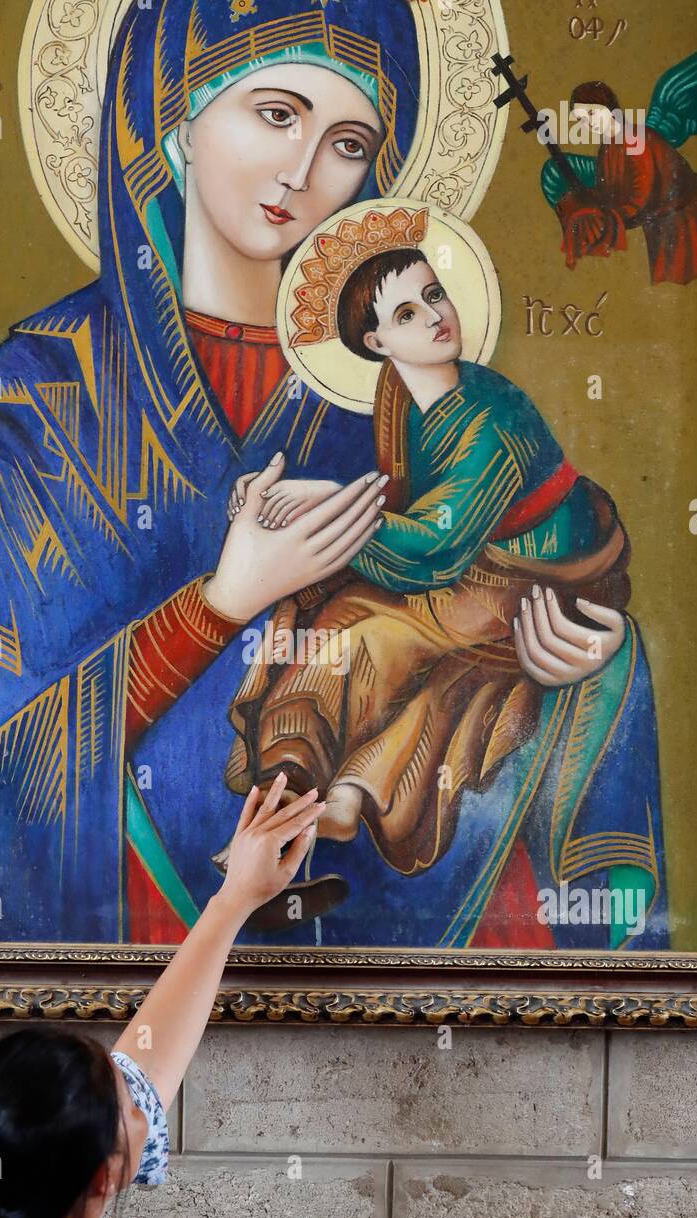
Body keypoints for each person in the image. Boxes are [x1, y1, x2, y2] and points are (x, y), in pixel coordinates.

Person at [0, 0, 631, 954]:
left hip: (385, 1001)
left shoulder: (417, 405)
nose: (302, 173)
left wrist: (572, 667)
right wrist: (220, 605)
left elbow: (513, 590)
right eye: (276, 114)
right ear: (178, 113)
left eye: (348, 141)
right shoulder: (13, 426)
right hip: (100, 981)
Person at [218, 232, 657, 948]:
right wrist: (301, 497)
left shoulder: (493, 419)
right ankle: (299, 791)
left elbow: (435, 545)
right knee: (329, 619)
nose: (433, 316)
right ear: (375, 340)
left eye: (434, 295)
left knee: (377, 635)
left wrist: (321, 510)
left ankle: (348, 793)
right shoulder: (401, 392)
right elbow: (401, 498)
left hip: (530, 580)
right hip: (465, 568)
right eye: (407, 312)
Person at [0, 774, 323, 1218]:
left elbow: (146, 1058)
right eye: (130, 1107)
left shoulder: (20, 1207)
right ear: (104, 1179)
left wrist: (235, 897)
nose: (145, 1103)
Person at [551, 78, 697, 285]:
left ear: (609, 107)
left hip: (690, 218)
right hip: (662, 223)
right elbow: (612, 192)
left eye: (591, 113)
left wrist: (609, 217)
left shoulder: (634, 138)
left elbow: (642, 195)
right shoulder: (609, 146)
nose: (588, 123)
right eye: (580, 120)